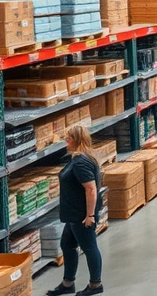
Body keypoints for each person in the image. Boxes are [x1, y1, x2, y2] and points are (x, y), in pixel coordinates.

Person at [46, 126, 103, 296]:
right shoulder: (79, 158)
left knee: (90, 247)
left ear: (77, 140)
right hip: (74, 213)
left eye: (69, 139)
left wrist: (90, 215)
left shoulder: (80, 162)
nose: (66, 142)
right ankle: (67, 283)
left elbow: (91, 189)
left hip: (81, 214)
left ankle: (95, 285)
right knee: (67, 245)